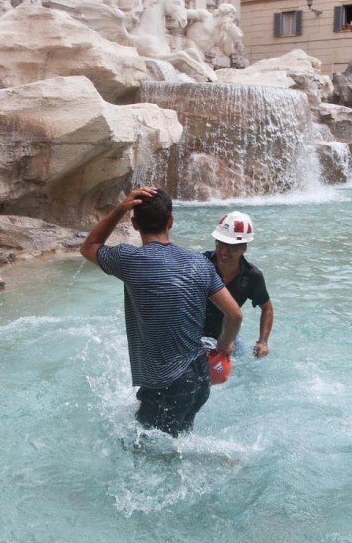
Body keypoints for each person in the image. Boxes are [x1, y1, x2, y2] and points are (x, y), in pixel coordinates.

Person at [80, 186, 242, 436]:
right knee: (176, 444)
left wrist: (120, 209)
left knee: (142, 451)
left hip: (167, 385)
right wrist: (224, 343)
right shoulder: (199, 262)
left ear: (134, 225)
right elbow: (235, 315)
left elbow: (89, 246)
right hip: (200, 377)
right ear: (171, 221)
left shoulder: (128, 259)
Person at [203, 211, 274, 359]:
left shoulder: (252, 276)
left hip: (229, 339)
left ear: (244, 248)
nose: (223, 252)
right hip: (197, 337)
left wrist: (263, 342)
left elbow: (266, 308)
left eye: (231, 247)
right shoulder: (200, 264)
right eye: (220, 244)